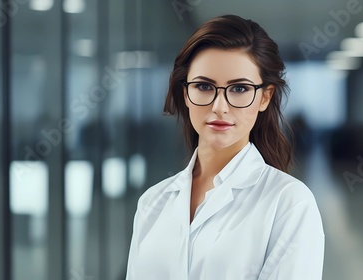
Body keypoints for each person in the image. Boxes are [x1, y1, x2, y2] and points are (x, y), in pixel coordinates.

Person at [125, 15, 324, 280]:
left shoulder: (289, 204)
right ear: (186, 94)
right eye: (204, 86)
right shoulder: (153, 202)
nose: (220, 106)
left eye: (239, 88)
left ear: (265, 97)